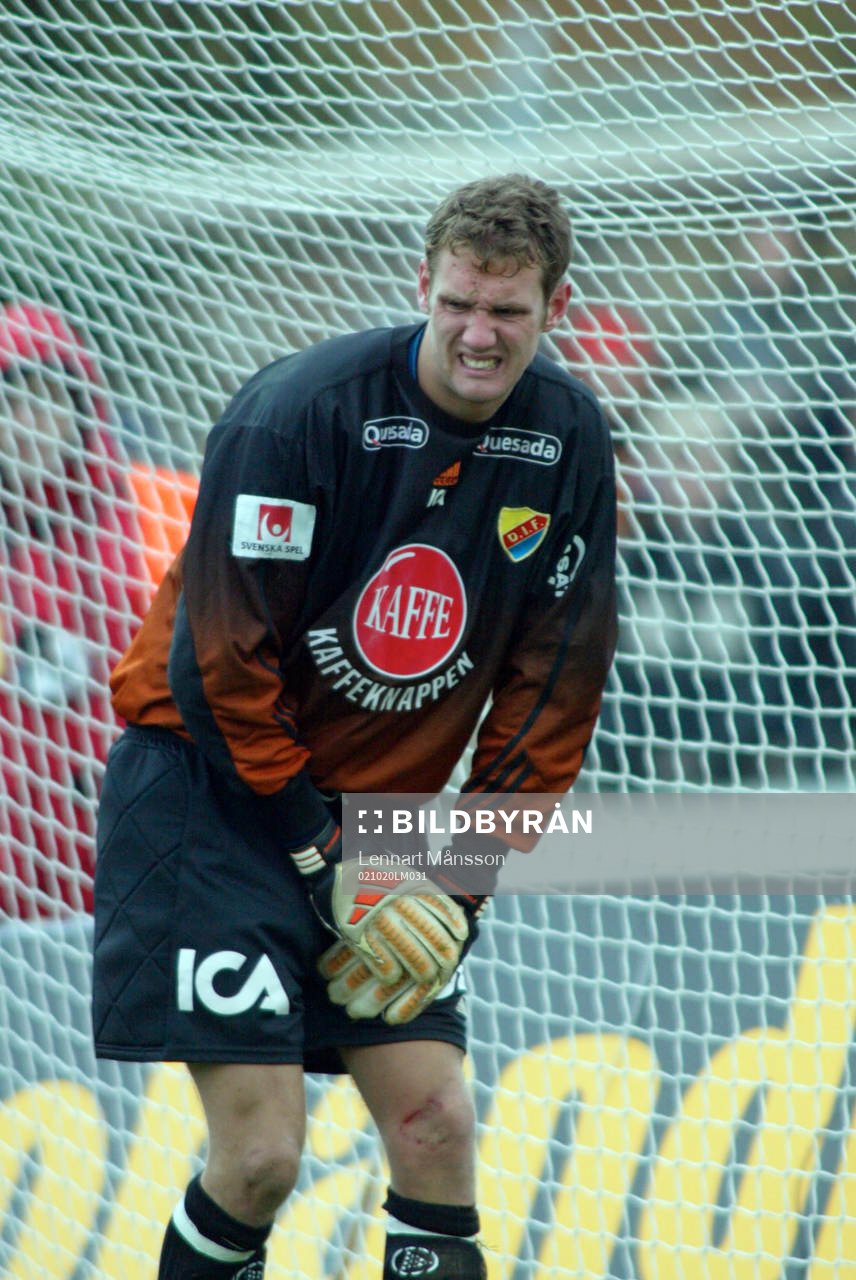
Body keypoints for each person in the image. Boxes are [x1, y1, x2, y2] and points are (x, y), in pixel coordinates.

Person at [91, 174, 618, 1279]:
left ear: (554, 307)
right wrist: (314, 850)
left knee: (436, 1124)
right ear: (419, 283)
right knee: (262, 1155)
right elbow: (220, 664)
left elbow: (555, 686)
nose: (480, 333)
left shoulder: (569, 438)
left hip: (381, 821)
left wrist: (457, 878)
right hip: (210, 793)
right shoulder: (296, 412)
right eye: (459, 303)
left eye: (509, 312)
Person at [0, 301, 148, 916]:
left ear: (84, 408)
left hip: (123, 866)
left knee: (453, 845)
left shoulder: (149, 524)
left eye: (45, 400)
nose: (27, 425)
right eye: (9, 404)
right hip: (16, 885)